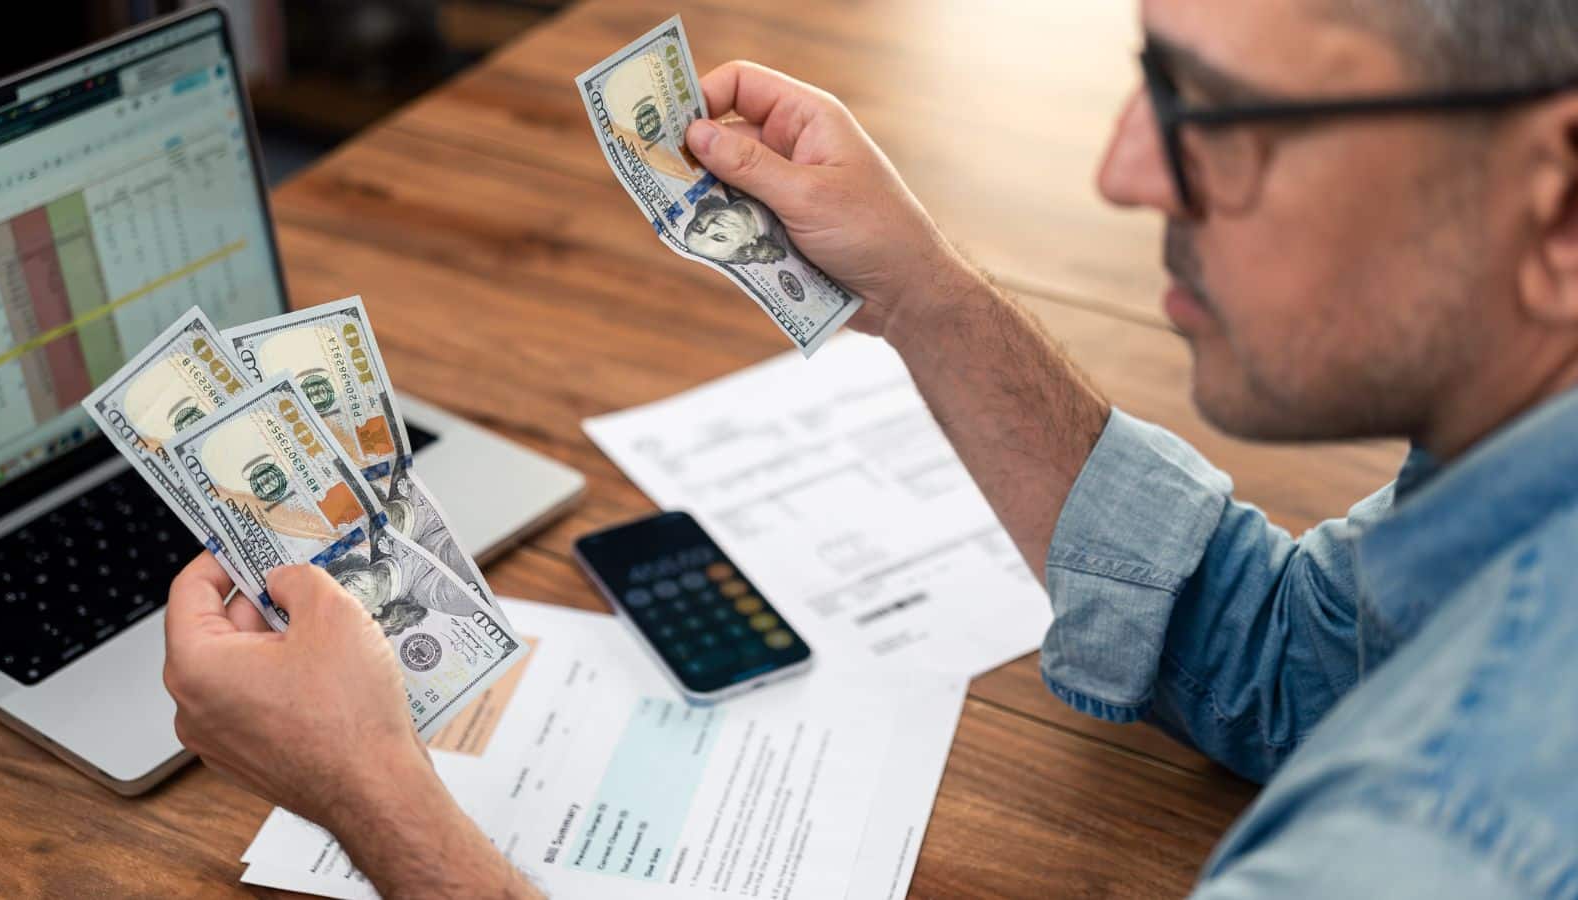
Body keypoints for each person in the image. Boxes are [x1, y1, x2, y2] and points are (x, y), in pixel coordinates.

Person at [164, 0, 1578, 895]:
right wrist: (919, 292)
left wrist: (370, 788)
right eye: (1148, 69)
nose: (1124, 170)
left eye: (1225, 116)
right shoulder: (1516, 446)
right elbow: (1293, 661)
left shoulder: (1432, 841)